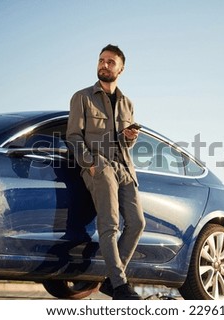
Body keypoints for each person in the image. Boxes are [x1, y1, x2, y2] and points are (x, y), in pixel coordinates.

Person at [66, 44, 145, 300]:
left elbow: (124, 143)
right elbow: (73, 136)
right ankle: (121, 285)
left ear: (121, 69)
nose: (104, 64)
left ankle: (111, 281)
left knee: (137, 223)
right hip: (99, 167)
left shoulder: (127, 103)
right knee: (110, 224)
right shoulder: (82, 97)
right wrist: (90, 163)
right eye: (101, 60)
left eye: (111, 61)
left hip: (124, 168)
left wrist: (129, 137)